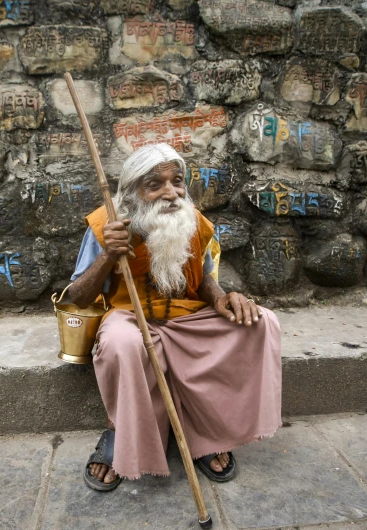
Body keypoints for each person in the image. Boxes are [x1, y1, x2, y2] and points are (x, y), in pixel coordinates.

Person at [69, 144, 282, 491]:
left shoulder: (193, 221)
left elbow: (206, 280)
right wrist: (108, 255)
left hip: (186, 320)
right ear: (133, 192)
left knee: (261, 323)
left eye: (177, 181)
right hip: (130, 319)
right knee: (121, 343)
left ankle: (209, 431)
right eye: (155, 184)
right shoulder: (104, 225)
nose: (170, 193)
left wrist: (224, 298)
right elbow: (77, 297)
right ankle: (120, 433)